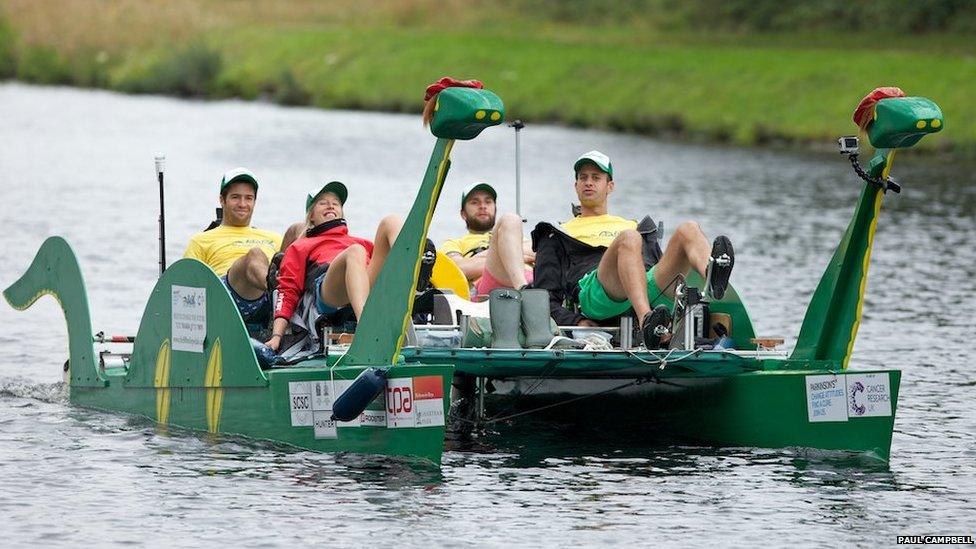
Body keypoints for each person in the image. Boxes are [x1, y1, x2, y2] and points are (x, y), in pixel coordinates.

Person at [532, 150, 734, 347]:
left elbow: (658, 265)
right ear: (576, 186)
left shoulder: (636, 225)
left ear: (610, 186)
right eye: (583, 178)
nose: (589, 182)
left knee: (689, 229)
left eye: (596, 177)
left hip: (643, 284)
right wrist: (576, 321)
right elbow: (545, 297)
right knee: (629, 239)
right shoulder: (557, 233)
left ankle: (712, 278)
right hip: (597, 292)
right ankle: (647, 321)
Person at [266, 181, 403, 351]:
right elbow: (288, 291)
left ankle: (412, 266)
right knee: (355, 252)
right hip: (328, 290)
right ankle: (366, 328)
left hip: (364, 283)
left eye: (335, 203)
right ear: (311, 216)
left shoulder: (361, 241)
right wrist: (276, 336)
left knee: (391, 221)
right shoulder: (300, 245)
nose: (330, 205)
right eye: (323, 202)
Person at [184, 168, 301, 327]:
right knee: (254, 255)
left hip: (269, 300)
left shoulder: (273, 238)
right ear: (222, 200)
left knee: (298, 229)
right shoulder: (201, 240)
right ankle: (280, 290)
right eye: (235, 197)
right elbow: (187, 288)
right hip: (227, 300)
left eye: (248, 198)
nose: (242, 204)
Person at [440, 182, 535, 296]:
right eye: (475, 202)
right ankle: (524, 291)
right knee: (510, 219)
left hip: (531, 278)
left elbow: (537, 252)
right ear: (463, 214)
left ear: (495, 208)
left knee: (514, 221)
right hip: (486, 288)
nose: (483, 206)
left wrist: (478, 258)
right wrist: (512, 256)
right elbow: (460, 269)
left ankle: (526, 290)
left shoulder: (512, 232)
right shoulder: (454, 243)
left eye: (488, 202)